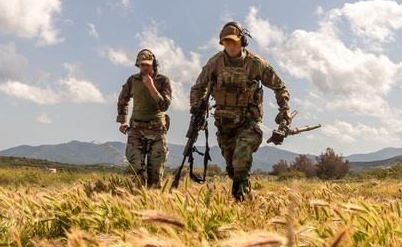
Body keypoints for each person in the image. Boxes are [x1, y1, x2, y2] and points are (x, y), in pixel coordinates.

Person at [189, 21, 291, 200]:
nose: (231, 47)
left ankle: (239, 204)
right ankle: (250, 199)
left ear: (242, 41)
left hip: (248, 123)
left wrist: (284, 110)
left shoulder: (256, 64)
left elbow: (280, 87)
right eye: (227, 43)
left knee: (241, 161)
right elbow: (198, 88)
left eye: (234, 43)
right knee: (233, 170)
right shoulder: (215, 63)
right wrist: (196, 108)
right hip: (224, 124)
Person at [117, 49, 172, 188]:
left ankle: (154, 202)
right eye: (142, 65)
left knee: (156, 171)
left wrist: (151, 87)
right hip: (136, 129)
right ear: (138, 65)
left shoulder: (163, 80)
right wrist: (123, 120)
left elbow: (164, 105)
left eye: (147, 64)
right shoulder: (133, 80)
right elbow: (123, 100)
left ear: (153, 64)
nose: (145, 68)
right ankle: (137, 201)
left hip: (157, 129)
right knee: (136, 169)